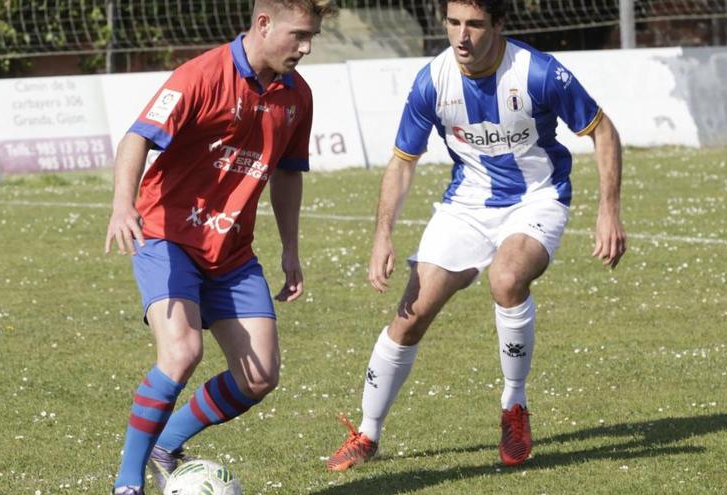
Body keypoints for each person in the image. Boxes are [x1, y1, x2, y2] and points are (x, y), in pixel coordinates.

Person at [326, 0, 626, 472]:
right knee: (410, 316)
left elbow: (602, 131)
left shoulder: (538, 72)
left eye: (474, 24)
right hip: (465, 207)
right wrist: (382, 235)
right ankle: (366, 433)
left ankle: (514, 406)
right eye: (453, 23)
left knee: (506, 279)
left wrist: (609, 211)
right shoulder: (433, 80)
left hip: (537, 199)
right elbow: (403, 162)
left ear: (499, 25)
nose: (461, 36)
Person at [104, 1, 338, 493]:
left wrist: (291, 248)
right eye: (298, 35)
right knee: (182, 351)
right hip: (167, 237)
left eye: (311, 36)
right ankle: (127, 483)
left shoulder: (298, 96)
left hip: (231, 251)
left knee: (259, 376)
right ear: (263, 23)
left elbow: (289, 173)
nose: (306, 47)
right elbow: (136, 138)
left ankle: (167, 443)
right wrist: (123, 207)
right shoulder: (201, 75)